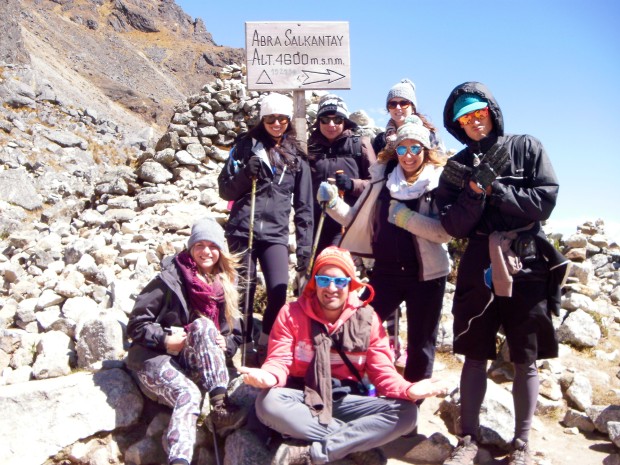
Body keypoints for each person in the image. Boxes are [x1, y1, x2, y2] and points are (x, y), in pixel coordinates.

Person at [435, 82, 570, 465]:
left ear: (492, 112)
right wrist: (474, 191)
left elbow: (544, 202)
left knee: (526, 356)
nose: (474, 122)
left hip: (526, 260)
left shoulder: (527, 147)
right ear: (457, 125)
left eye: (479, 113)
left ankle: (523, 444)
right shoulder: (456, 168)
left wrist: (497, 192)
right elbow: (454, 226)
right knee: (474, 353)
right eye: (465, 118)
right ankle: (467, 439)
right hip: (479, 260)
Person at [239, 246, 448, 465]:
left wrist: (408, 389)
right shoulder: (291, 314)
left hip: (346, 398)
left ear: (350, 284)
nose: (331, 288)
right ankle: (355, 444)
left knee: (407, 413)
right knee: (268, 403)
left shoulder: (367, 319)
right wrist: (270, 376)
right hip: (302, 397)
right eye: (323, 280)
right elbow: (279, 360)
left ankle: (315, 452)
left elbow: (383, 373)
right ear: (314, 283)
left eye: (340, 281)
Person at [316, 115, 451, 385]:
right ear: (395, 151)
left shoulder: (438, 185)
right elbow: (356, 220)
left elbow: (444, 232)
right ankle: (354, 383)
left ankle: (412, 407)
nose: (408, 155)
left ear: (426, 151)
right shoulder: (383, 184)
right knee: (357, 325)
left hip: (427, 276)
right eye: (402, 148)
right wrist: (331, 205)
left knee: (421, 344)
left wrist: (406, 219)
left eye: (415, 148)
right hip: (386, 273)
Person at [126, 217, 245, 465]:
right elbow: (136, 325)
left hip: (190, 361)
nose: (206, 252)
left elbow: (235, 332)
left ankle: (219, 403)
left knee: (203, 326)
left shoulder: (224, 284)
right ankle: (179, 460)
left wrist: (228, 344)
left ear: (221, 251)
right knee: (189, 394)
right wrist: (165, 339)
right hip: (154, 358)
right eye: (200, 245)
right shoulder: (169, 279)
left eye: (212, 246)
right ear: (190, 247)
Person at [218, 92, 314, 363]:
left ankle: (265, 341)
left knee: (278, 290)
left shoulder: (297, 157)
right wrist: (245, 173)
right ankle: (240, 341)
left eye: (282, 118)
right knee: (242, 290)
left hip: (275, 234)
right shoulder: (244, 147)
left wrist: (305, 247)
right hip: (242, 230)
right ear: (263, 119)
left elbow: (305, 206)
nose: (277, 123)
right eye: (271, 118)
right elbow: (225, 190)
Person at [307, 93, 376, 256]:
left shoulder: (359, 144)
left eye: (337, 119)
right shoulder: (309, 147)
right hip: (316, 223)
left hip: (347, 220)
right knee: (317, 274)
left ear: (345, 121)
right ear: (318, 121)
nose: (331, 124)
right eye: (325, 119)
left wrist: (352, 184)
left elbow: (376, 184)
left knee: (336, 267)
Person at [372, 79, 444, 155]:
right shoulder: (381, 140)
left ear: (413, 108)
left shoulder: (429, 135)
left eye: (404, 103)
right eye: (392, 104)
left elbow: (439, 160)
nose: (398, 107)